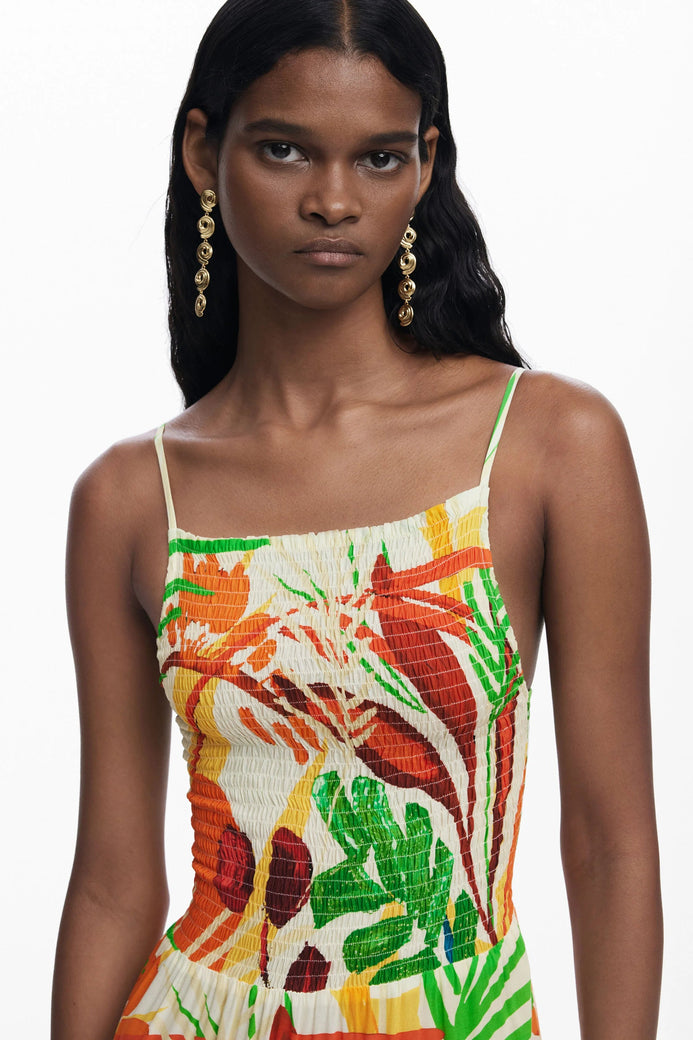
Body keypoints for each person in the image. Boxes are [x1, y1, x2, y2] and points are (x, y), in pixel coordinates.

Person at [51, 1, 662, 1037]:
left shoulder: (547, 444)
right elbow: (112, 882)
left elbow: (610, 844)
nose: (333, 201)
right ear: (203, 154)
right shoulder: (130, 497)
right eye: (284, 150)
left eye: (379, 158)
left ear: (424, 165)